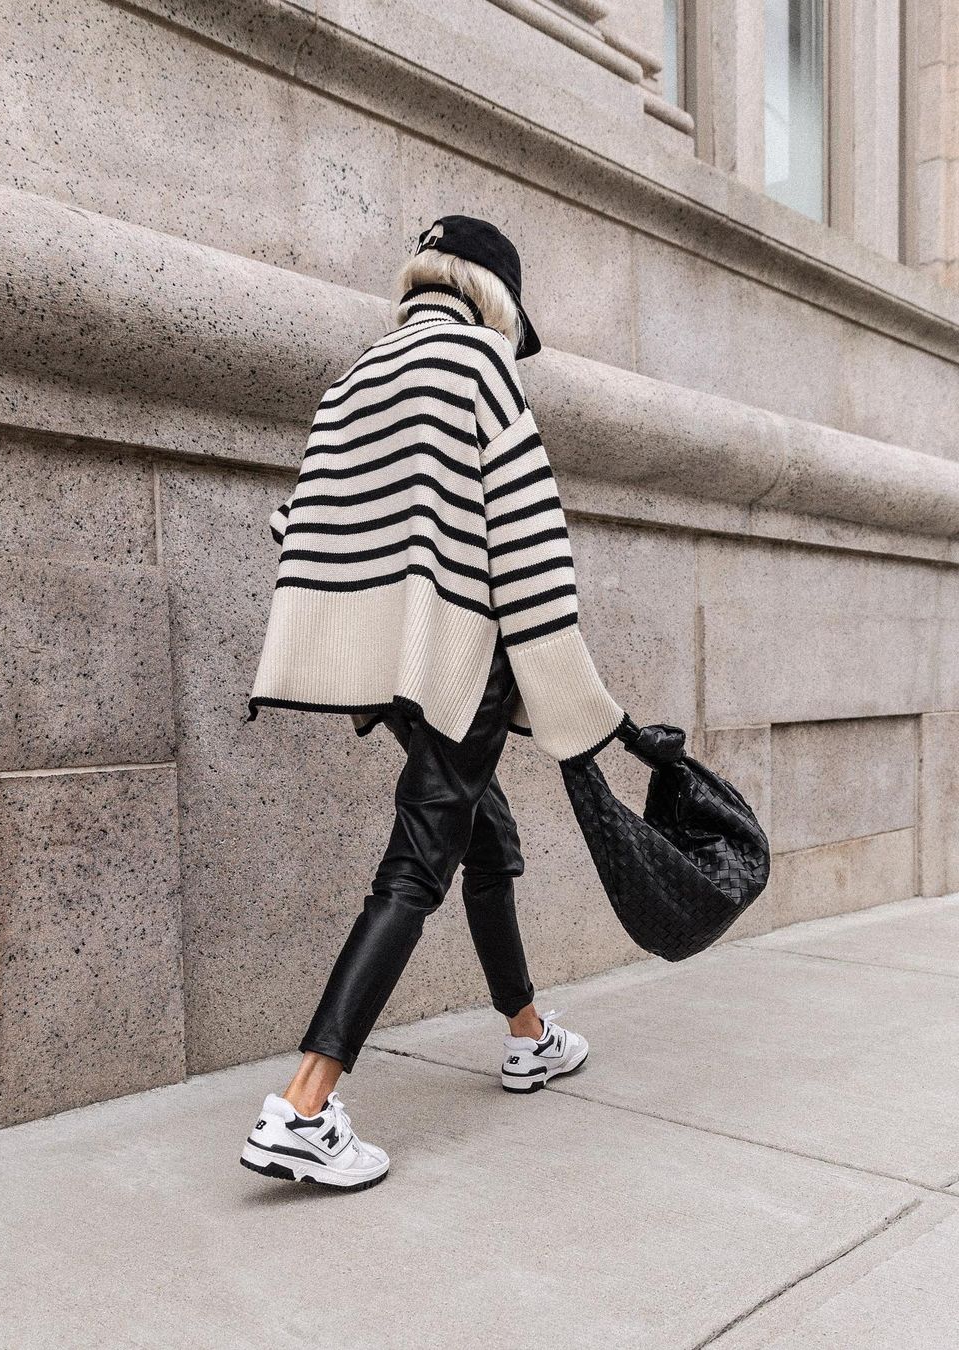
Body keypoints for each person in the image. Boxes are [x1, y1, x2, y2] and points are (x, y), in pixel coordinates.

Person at [241, 216, 629, 1191]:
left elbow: (298, 519)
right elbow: (531, 549)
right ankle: (304, 1103)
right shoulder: (480, 371)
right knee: (420, 860)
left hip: (393, 664)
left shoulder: (361, 373)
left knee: (484, 839)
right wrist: (586, 710)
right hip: (466, 654)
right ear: (495, 298)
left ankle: (528, 1035)